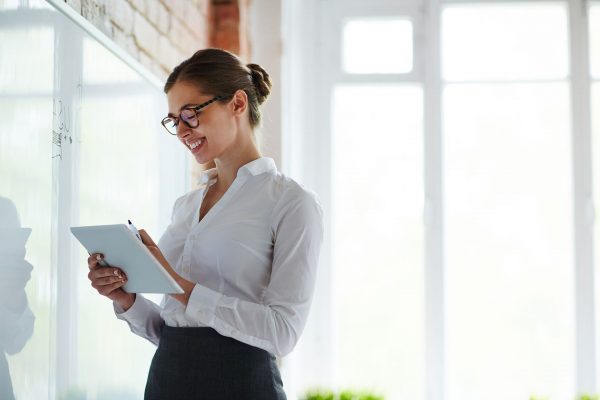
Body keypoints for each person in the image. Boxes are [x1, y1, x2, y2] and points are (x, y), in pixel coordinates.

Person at [86, 48, 324, 399]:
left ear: (238, 104)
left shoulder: (291, 203)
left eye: (190, 115)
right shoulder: (186, 206)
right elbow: (174, 330)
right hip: (167, 381)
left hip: (241, 385)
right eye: (173, 120)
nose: (182, 130)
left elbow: (282, 332)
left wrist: (177, 284)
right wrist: (127, 300)